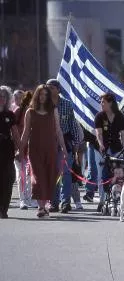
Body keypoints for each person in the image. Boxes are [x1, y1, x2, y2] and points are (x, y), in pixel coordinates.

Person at [20, 85, 67, 217]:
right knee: (38, 177)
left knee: (49, 176)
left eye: (46, 95)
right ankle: (41, 207)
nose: (43, 97)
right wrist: (19, 149)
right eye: (40, 94)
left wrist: (63, 148)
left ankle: (45, 205)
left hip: (51, 148)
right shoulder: (30, 112)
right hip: (35, 149)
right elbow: (25, 133)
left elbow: (58, 131)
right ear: (36, 95)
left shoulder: (53, 111)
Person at [46, 79, 82, 213]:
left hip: (65, 143)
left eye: (52, 87)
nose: (49, 90)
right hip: (49, 143)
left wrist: (75, 144)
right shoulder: (44, 104)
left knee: (65, 173)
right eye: (47, 87)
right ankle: (53, 202)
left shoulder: (67, 104)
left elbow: (73, 125)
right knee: (53, 173)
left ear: (58, 89)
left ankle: (65, 202)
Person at [94, 93, 124, 212]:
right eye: (101, 102)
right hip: (103, 149)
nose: (101, 104)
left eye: (103, 102)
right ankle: (102, 200)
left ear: (111, 103)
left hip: (116, 149)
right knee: (102, 175)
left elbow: (123, 134)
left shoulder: (120, 116)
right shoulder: (99, 116)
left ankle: (116, 197)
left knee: (117, 173)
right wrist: (101, 144)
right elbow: (98, 133)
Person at [0, 86, 20, 218]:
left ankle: (4, 209)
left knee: (8, 179)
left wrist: (20, 150)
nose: (1, 99)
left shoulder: (10, 115)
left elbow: (16, 134)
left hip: (7, 149)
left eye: (3, 96)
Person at [13, 91, 35, 209]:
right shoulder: (18, 111)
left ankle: (30, 198)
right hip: (20, 148)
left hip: (31, 149)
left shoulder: (34, 112)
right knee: (21, 174)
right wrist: (17, 147)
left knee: (30, 175)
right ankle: (22, 200)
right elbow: (14, 129)